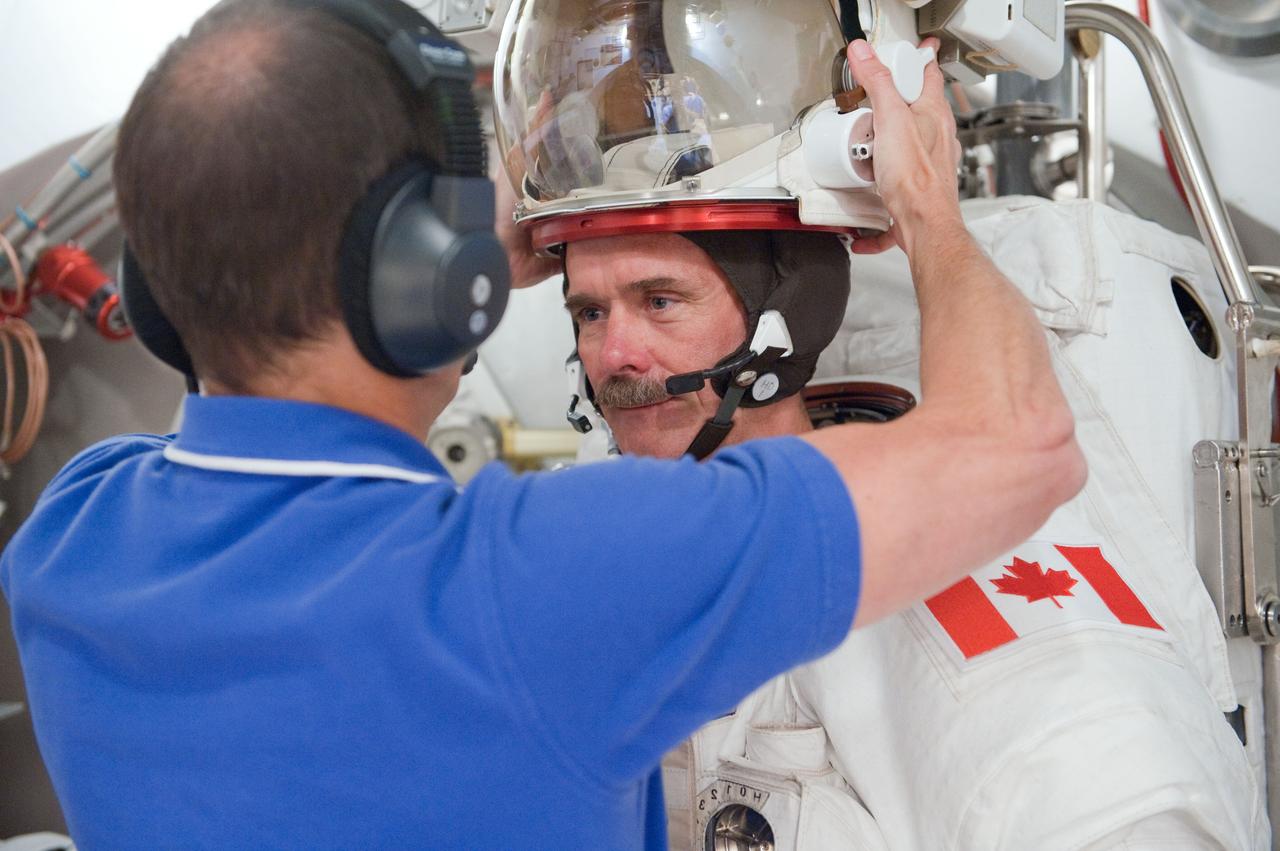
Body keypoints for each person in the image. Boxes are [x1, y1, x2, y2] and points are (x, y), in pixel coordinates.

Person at [0, 2, 1085, 849]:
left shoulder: (70, 535)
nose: (614, 346)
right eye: (592, 309)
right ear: (432, 279)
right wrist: (928, 206)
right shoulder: (538, 583)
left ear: (154, 292)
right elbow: (1020, 442)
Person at [562, 194, 1268, 848]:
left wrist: (927, 204)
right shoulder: (589, 565)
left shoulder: (951, 613)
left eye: (661, 301)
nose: (616, 355)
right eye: (591, 313)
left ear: (784, 321)